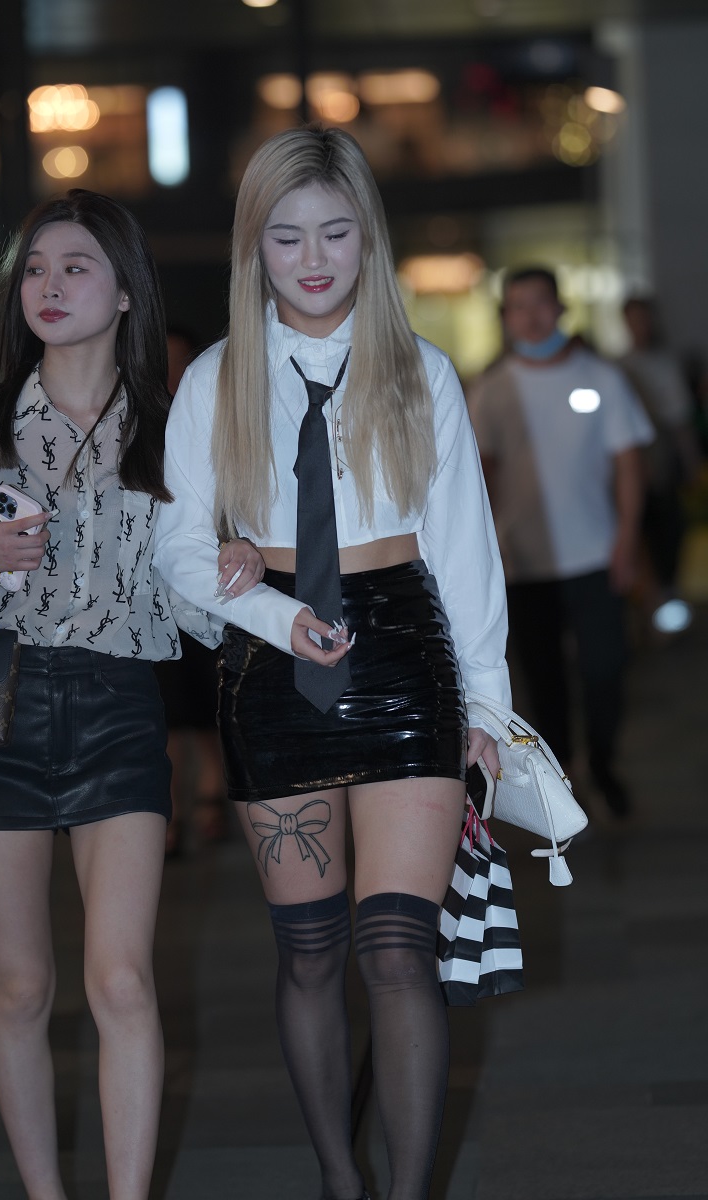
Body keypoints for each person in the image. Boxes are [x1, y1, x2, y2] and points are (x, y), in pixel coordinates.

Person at [154, 126, 510, 1200]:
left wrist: (488, 710)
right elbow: (176, 548)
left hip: (405, 659)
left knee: (397, 950)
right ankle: (338, 1179)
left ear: (370, 239)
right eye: (286, 237)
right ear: (251, 248)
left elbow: (465, 551)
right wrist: (270, 613)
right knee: (307, 950)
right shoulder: (215, 379)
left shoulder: (422, 371)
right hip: (272, 673)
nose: (312, 259)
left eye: (335, 233)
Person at [0, 188, 262, 1200]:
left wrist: (235, 565)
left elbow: (197, 607)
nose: (50, 286)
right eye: (35, 269)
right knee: (20, 986)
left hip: (117, 708)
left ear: (125, 292)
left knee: (121, 978)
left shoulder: (173, 427)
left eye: (75, 267)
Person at [468, 266, 654, 818]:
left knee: (605, 669)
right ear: (506, 317)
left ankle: (604, 762)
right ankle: (563, 775)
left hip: (595, 554)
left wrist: (627, 540)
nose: (530, 316)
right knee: (543, 679)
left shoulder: (601, 378)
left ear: (561, 308)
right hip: (524, 563)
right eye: (518, 306)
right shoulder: (491, 390)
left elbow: (629, 464)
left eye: (540, 303)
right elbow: (477, 478)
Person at [154, 325, 228, 855]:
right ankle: (177, 807)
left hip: (210, 584)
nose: (172, 374)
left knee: (206, 702)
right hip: (153, 587)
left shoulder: (213, 419)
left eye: (181, 361)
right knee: (168, 707)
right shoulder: (135, 421)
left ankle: (208, 793)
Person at [620, 295, 702, 632]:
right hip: (630, 463)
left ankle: (666, 605)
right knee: (641, 536)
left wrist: (691, 463)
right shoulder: (619, 365)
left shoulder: (665, 362)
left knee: (668, 533)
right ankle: (648, 609)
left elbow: (681, 421)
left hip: (661, 459)